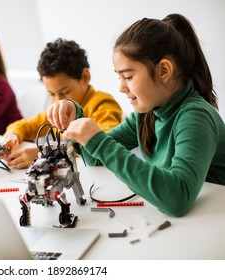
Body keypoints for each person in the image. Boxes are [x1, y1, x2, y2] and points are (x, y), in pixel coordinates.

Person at [47, 14, 225, 217]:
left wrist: (100, 143)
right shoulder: (148, 114)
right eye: (119, 77)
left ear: (164, 70)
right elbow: (96, 158)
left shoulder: (196, 117)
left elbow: (178, 198)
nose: (121, 87)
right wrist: (77, 119)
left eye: (128, 76)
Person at [4, 38, 122, 169]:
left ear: (85, 77)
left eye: (65, 92)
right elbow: (23, 126)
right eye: (52, 94)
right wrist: (12, 138)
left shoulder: (102, 104)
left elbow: (104, 146)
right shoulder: (59, 109)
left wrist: (45, 153)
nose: (58, 100)